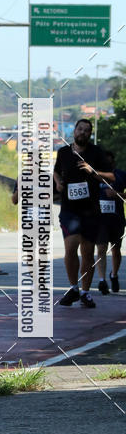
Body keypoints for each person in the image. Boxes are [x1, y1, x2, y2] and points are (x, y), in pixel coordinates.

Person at [53, 118, 112, 308]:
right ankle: (73, 288)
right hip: (70, 210)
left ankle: (85, 292)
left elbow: (111, 176)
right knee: (70, 248)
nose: (83, 133)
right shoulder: (63, 152)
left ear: (90, 134)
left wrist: (92, 170)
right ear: (74, 131)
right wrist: (58, 182)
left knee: (87, 253)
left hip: (91, 211)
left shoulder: (97, 152)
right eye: (80, 129)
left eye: (87, 130)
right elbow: (56, 171)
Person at [96, 151, 125, 294]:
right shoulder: (95, 176)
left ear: (113, 162)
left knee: (116, 250)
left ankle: (114, 275)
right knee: (101, 249)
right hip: (100, 220)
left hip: (117, 219)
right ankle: (102, 281)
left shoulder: (121, 175)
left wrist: (117, 194)